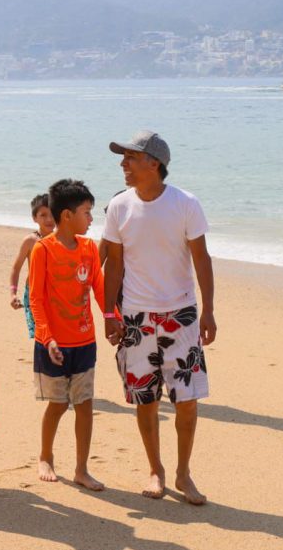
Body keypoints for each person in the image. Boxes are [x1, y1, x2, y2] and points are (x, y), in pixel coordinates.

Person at [103, 130, 216, 506]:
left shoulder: (185, 203)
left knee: (187, 400)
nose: (123, 164)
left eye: (130, 158)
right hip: (136, 317)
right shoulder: (119, 206)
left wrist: (209, 311)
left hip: (181, 315)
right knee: (144, 398)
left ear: (154, 164)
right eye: (123, 158)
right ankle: (156, 469)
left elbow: (202, 259)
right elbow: (114, 264)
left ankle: (183, 473)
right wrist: (109, 312)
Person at [28, 179, 111, 492]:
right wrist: (47, 338)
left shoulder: (89, 248)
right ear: (66, 216)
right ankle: (46, 455)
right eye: (87, 212)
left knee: (85, 404)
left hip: (84, 341)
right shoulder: (43, 249)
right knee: (58, 404)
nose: (91, 219)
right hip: (53, 345)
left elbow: (98, 288)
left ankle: (81, 469)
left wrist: (112, 317)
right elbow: (35, 298)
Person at [9, 194, 55, 338]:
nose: (49, 219)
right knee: (41, 335)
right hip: (34, 294)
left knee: (57, 334)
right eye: (43, 215)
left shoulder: (61, 240)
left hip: (56, 294)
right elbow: (16, 268)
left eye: (52, 214)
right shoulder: (30, 241)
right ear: (34, 218)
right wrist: (13, 293)